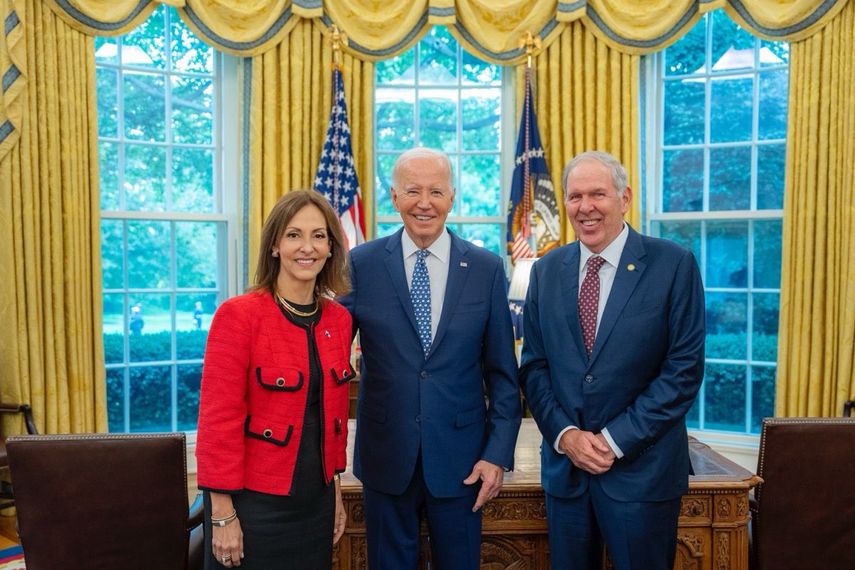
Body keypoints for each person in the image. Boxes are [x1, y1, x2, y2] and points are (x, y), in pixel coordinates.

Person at [519, 151, 705, 570]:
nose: (585, 207)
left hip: (644, 473)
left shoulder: (673, 264)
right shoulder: (546, 270)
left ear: (625, 198)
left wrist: (612, 440)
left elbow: (683, 370)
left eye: (598, 194)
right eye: (575, 196)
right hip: (567, 475)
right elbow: (534, 366)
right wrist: (566, 436)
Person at [339, 147, 522, 570]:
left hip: (463, 463)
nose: (425, 203)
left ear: (453, 197)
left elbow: (503, 376)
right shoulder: (361, 264)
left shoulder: (486, 268)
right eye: (413, 191)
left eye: (436, 191)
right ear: (394, 196)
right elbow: (329, 349)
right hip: (386, 458)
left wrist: (496, 455)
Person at [196, 190, 354, 569]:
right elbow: (218, 423)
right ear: (275, 246)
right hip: (252, 507)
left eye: (319, 236)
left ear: (331, 247)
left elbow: (327, 423)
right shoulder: (239, 316)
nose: (308, 247)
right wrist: (222, 515)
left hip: (315, 506)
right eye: (294, 234)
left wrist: (334, 496)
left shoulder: (338, 320)